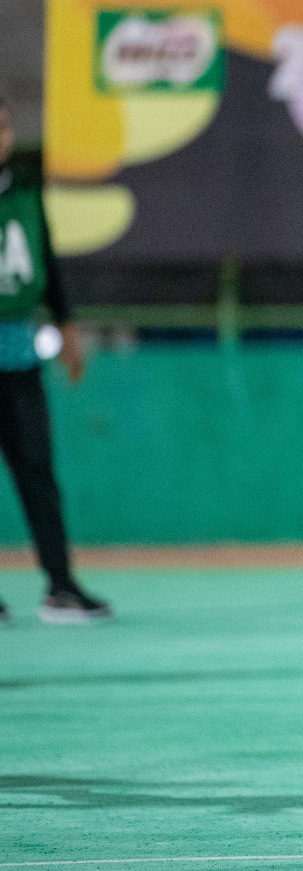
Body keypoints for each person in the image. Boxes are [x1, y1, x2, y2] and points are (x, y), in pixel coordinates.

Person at [0, 99, 111, 625]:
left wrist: (66, 325)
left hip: (18, 359)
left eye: (3, 123)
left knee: (38, 473)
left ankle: (60, 587)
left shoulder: (24, 190)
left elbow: (47, 258)